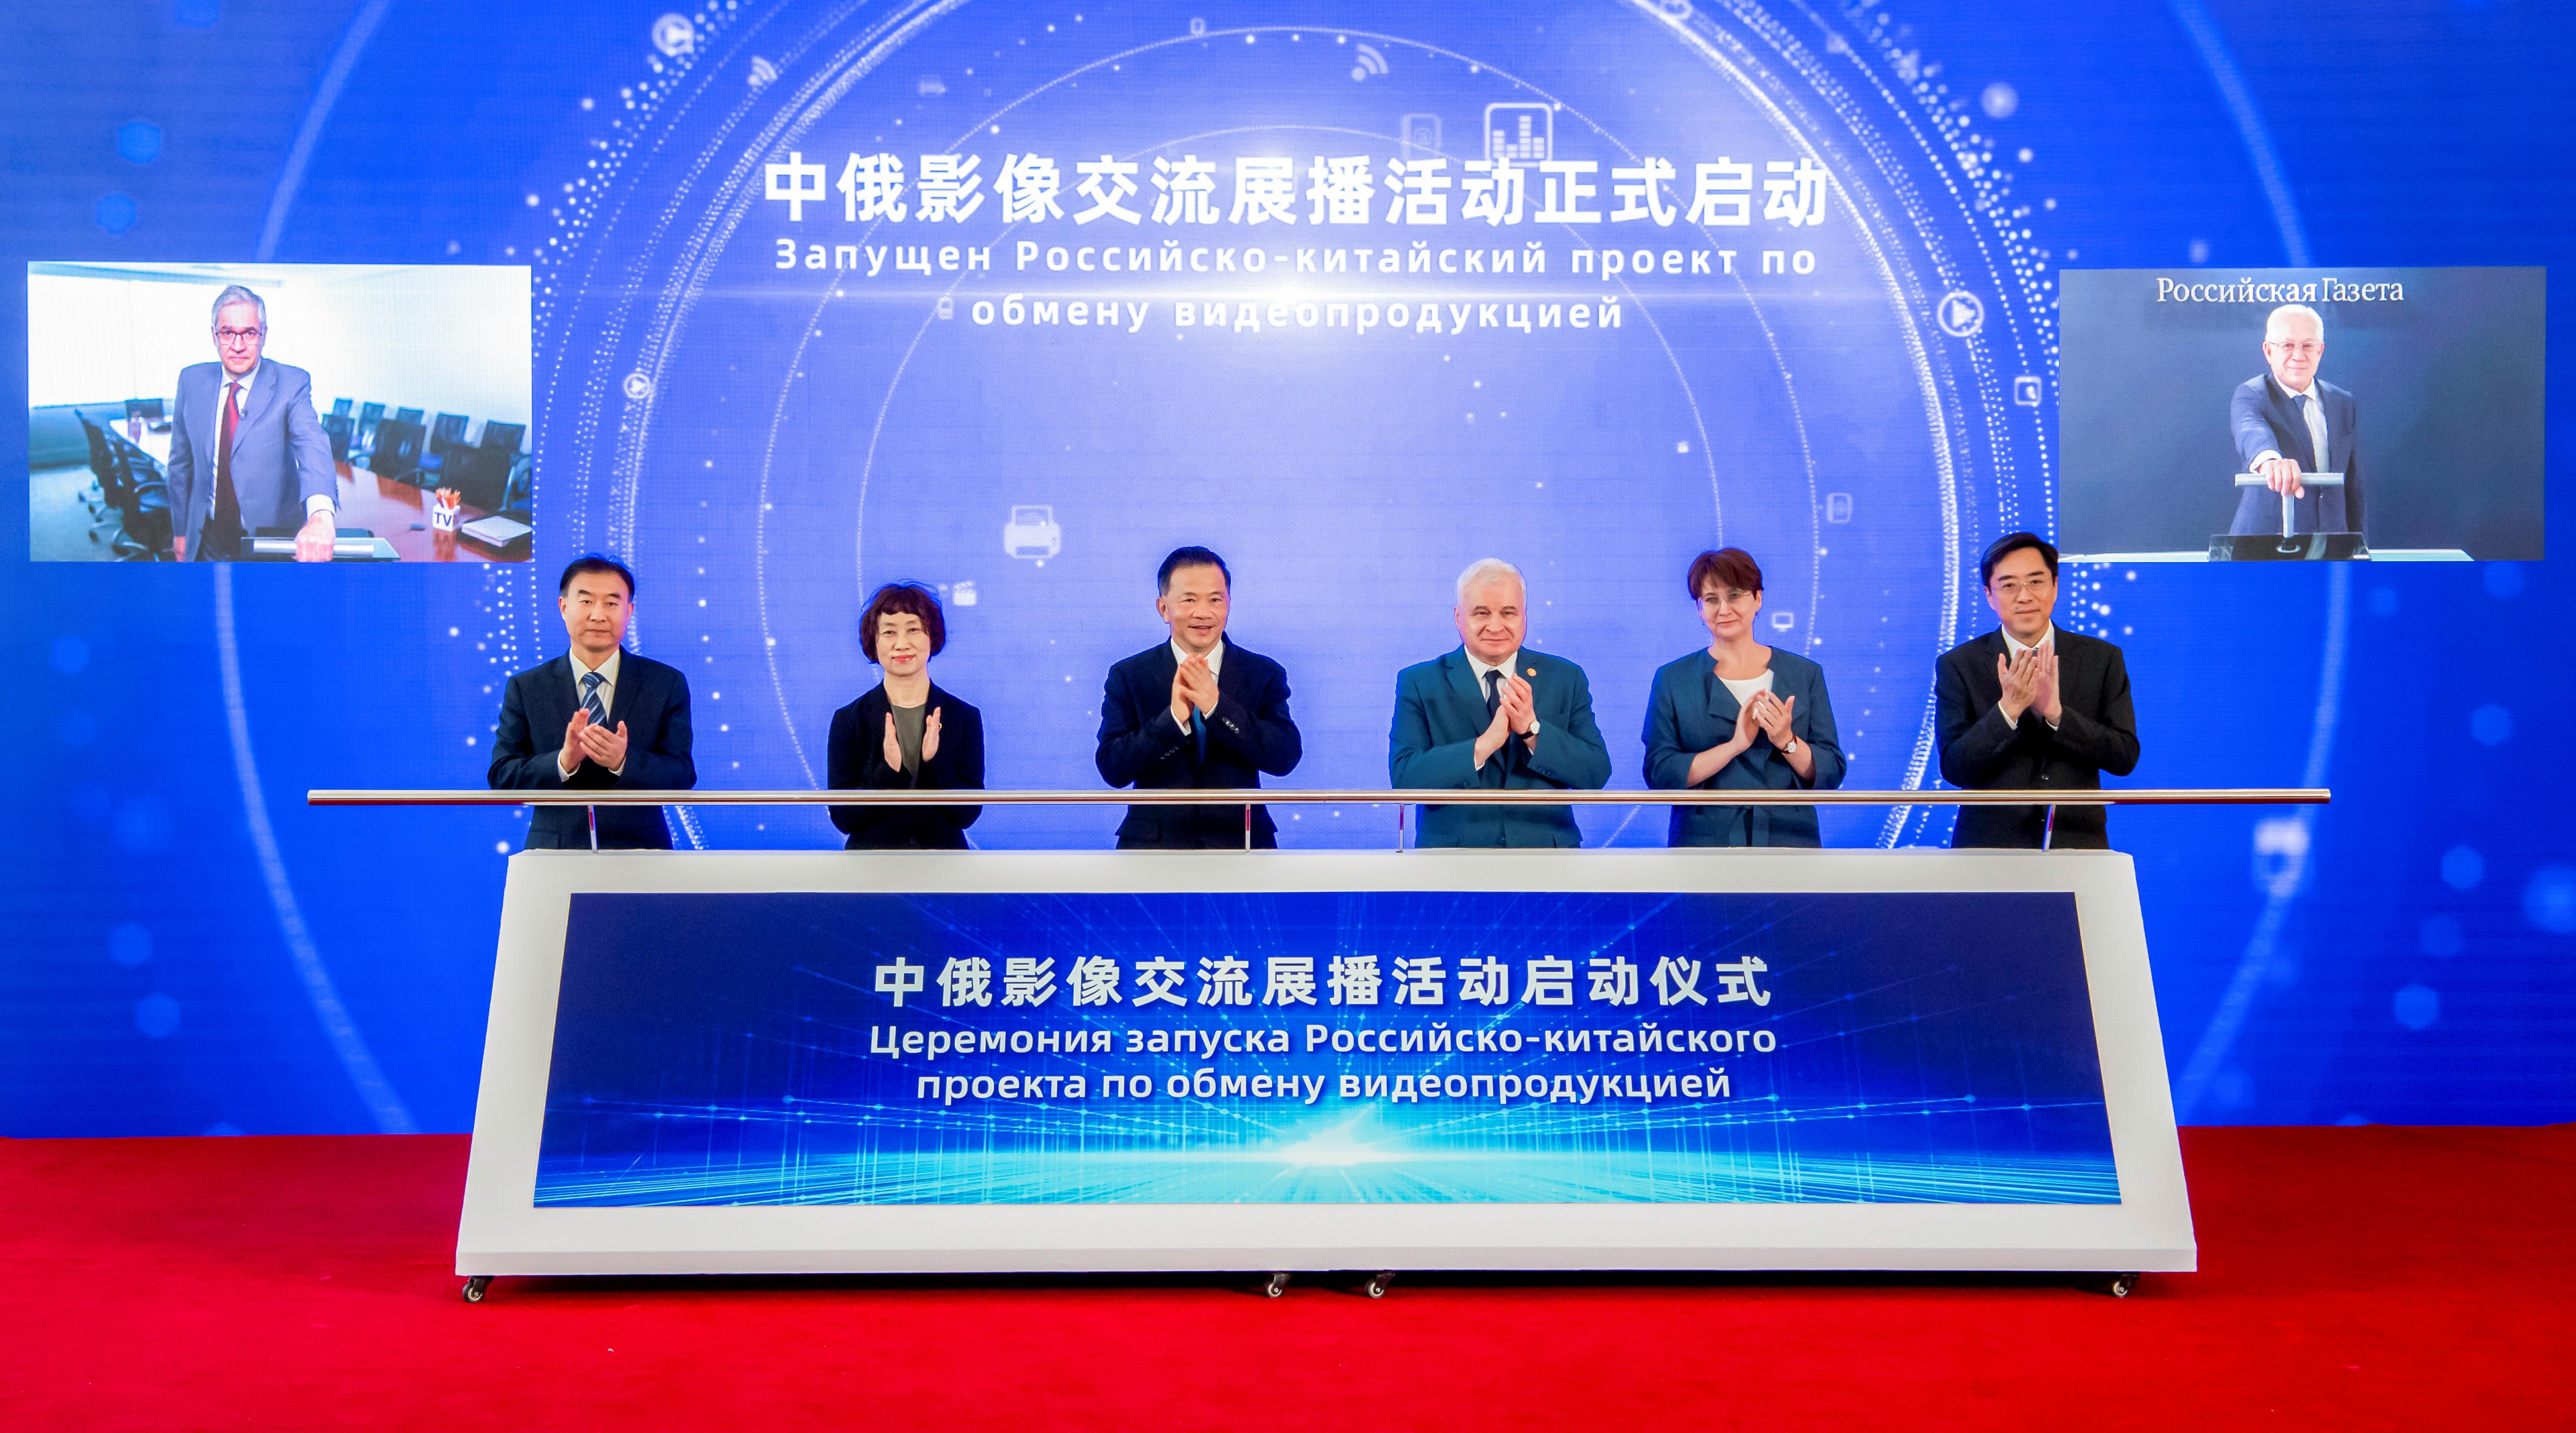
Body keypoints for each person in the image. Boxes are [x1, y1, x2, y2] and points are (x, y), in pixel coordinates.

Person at [1936, 533, 2140, 848]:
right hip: (1989, 848)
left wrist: (2057, 715)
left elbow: (2124, 757)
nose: (2025, 596)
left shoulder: (2101, 658)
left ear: (2055, 586)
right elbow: (1955, 768)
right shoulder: (1959, 665)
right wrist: (2008, 712)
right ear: (1989, 595)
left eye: (2036, 582)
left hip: (2077, 843)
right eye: (2009, 585)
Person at [1390, 558, 1612, 847]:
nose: (1495, 626)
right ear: (1458, 617)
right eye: (1481, 613)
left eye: (1508, 613)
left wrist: (1533, 732)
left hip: (1547, 856)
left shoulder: (1566, 677)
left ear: (1524, 616)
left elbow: (1595, 773)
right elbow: (1405, 778)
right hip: (1452, 859)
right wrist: (1483, 746)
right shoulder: (1420, 682)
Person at [1095, 547, 1302, 848]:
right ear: (1164, 608)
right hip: (1152, 849)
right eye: (1189, 600)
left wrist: (1217, 707)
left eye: (1215, 600)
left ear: (1229, 605)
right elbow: (1113, 768)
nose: (1203, 613)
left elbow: (1284, 758)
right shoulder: (1130, 674)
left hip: (1243, 844)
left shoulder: (1263, 673)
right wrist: (1173, 720)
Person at [488, 556, 696, 848]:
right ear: (563, 607)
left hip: (643, 850)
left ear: (629, 611)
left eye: (611, 603)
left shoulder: (665, 683)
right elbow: (502, 776)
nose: (598, 615)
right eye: (586, 601)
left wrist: (623, 762)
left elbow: (682, 775)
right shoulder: (527, 687)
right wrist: (563, 762)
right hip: (554, 852)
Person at [1644, 548, 1846, 846]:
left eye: (1735, 595)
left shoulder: (1805, 674)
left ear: (1758, 598)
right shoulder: (1674, 678)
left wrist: (1787, 741)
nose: (1724, 609)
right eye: (1711, 600)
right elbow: (1660, 772)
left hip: (1790, 836)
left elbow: (1831, 771)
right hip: (1704, 842)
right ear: (1699, 609)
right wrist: (1734, 746)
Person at [165, 284, 339, 562]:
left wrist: (320, 515)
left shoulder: (291, 383)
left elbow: (312, 444)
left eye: (249, 333)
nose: (238, 346)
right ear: (214, 335)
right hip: (206, 539)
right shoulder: (191, 381)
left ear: (264, 335)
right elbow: (180, 465)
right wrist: (181, 532)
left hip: (271, 543)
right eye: (227, 333)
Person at [827, 583, 985, 849]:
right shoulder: (849, 719)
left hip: (946, 865)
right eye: (889, 632)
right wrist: (887, 772)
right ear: (874, 642)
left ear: (932, 637)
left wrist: (935, 764)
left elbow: (967, 815)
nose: (902, 644)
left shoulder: (964, 716)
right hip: (871, 867)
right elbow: (844, 818)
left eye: (913, 629)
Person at [2230, 302, 2365, 540]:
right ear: (2269, 351)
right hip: (2267, 544)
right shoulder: (2252, 395)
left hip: (2332, 544)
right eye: (2288, 345)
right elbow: (2251, 431)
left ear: (2320, 351)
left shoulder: (2342, 402)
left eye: (2308, 346)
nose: (2299, 356)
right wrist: (2271, 462)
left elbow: (2352, 486)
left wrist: (2358, 546)